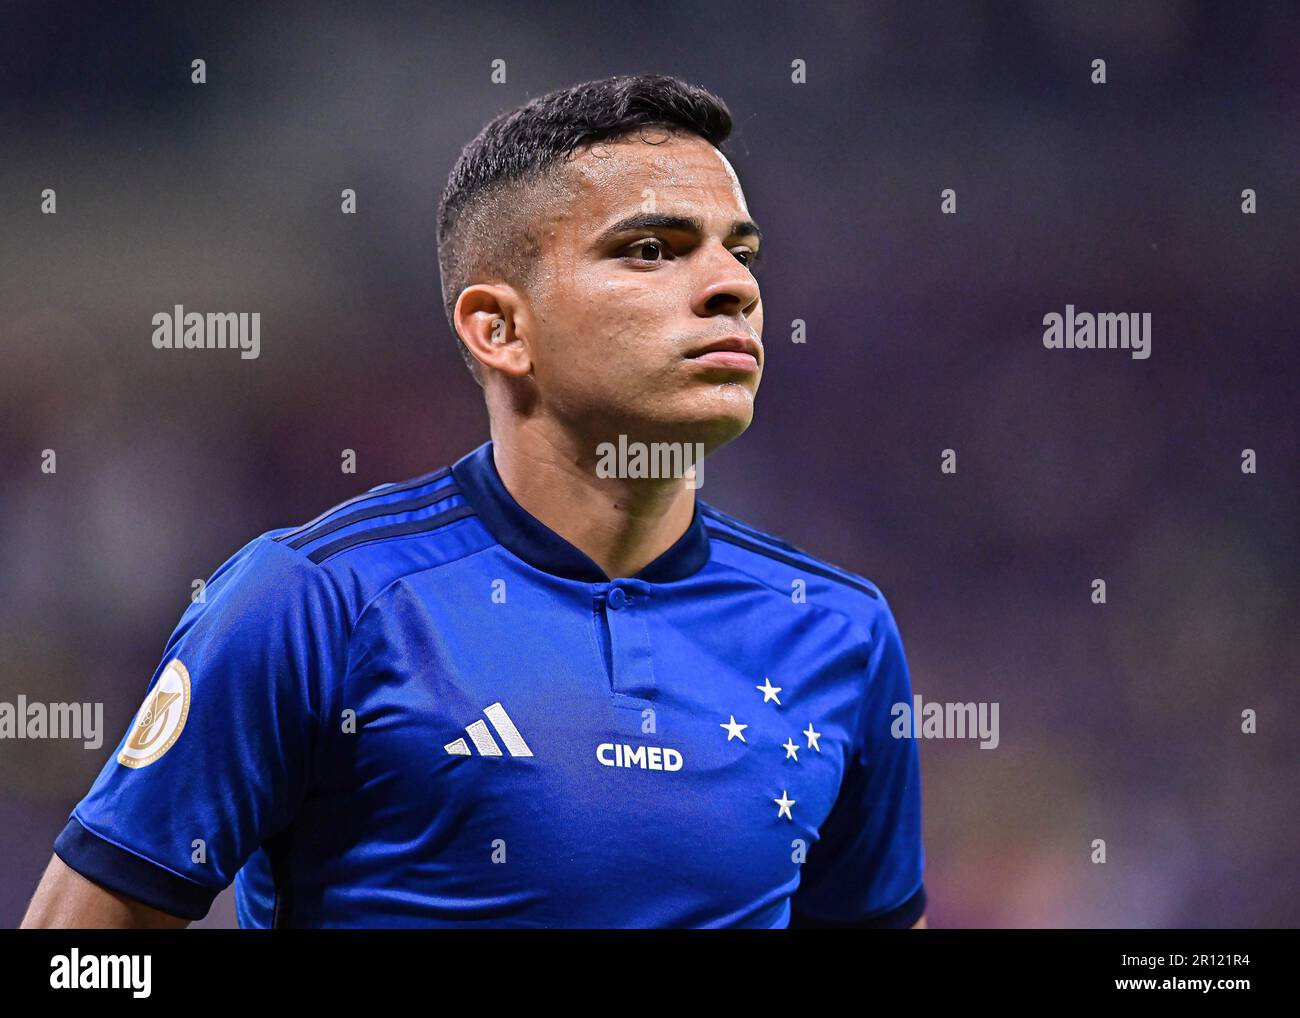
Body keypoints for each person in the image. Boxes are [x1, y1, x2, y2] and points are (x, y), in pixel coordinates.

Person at [23, 73, 926, 929]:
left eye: (742, 251)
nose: (734, 286)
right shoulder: (315, 604)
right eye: (652, 250)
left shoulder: (839, 631)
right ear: (499, 329)